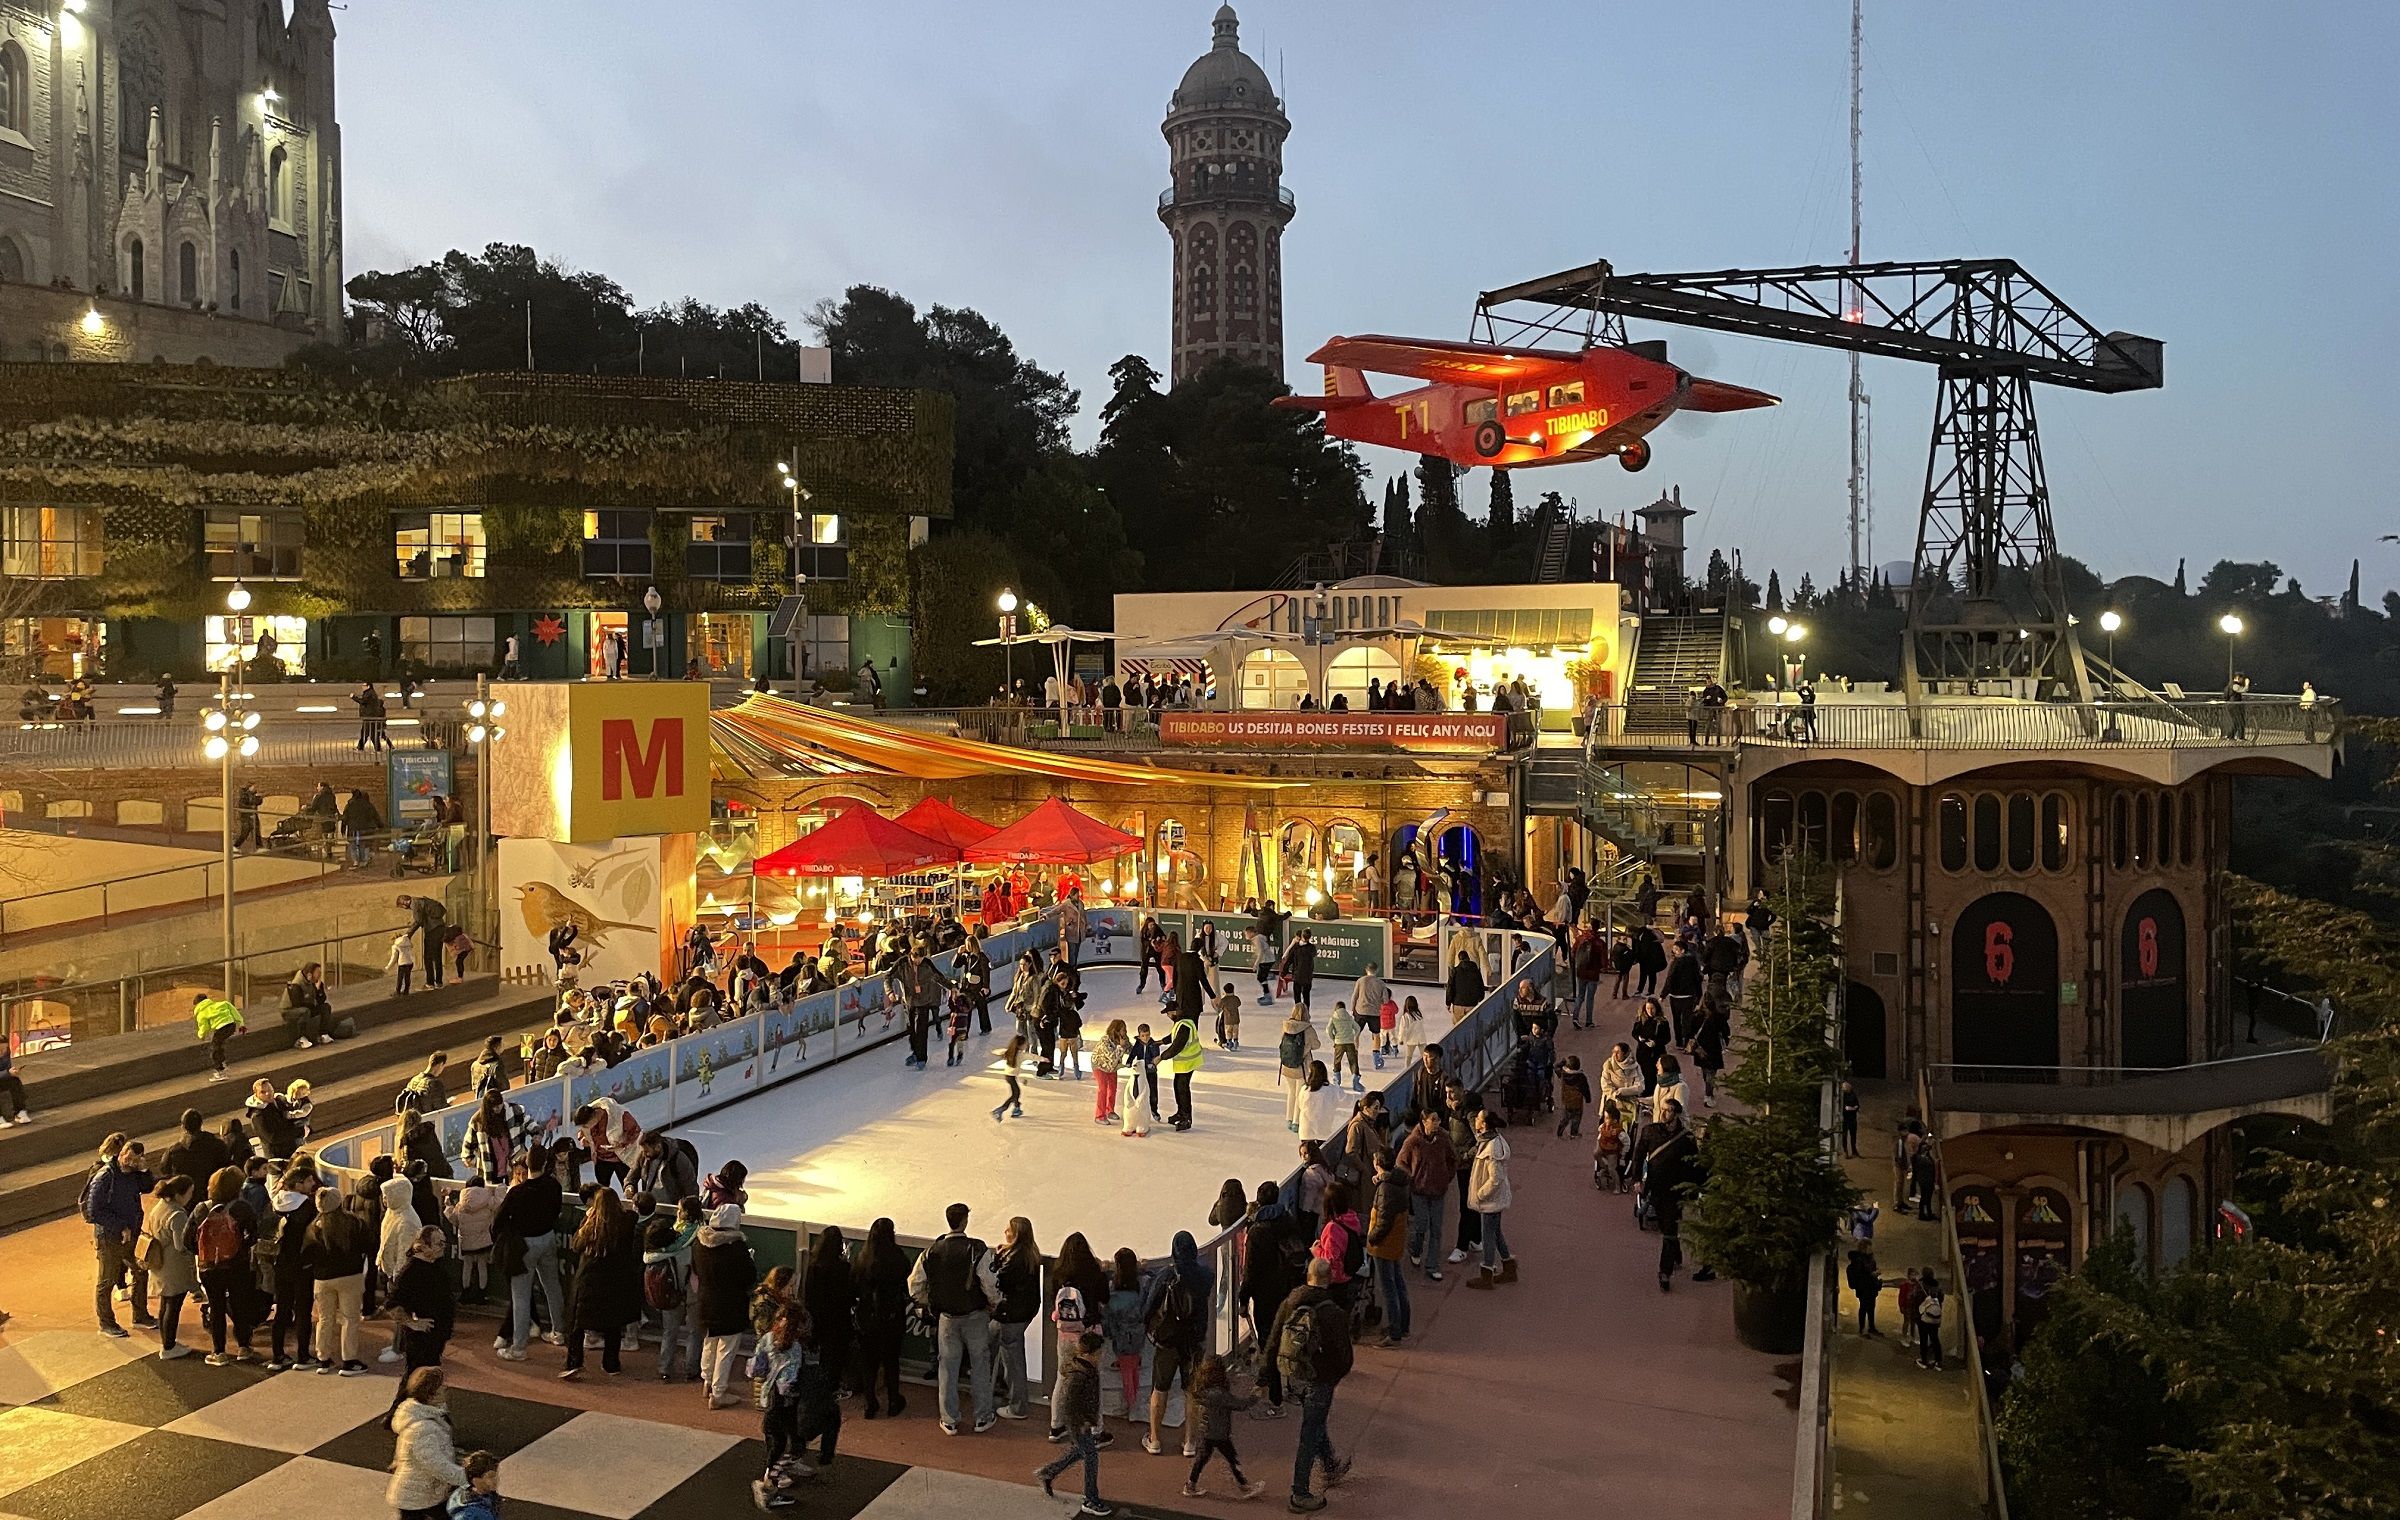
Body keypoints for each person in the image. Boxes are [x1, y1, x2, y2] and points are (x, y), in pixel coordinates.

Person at [909, 1201, 1003, 1435]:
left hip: (947, 1318)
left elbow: (915, 1284)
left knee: (947, 1368)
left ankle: (949, 1419)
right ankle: (982, 1417)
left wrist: (927, 1303)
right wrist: (993, 1304)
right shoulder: (977, 1249)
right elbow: (990, 1283)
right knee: (980, 1365)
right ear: (965, 1221)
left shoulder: (931, 1251)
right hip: (975, 1316)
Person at [1268, 1258, 1354, 1513]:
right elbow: (1345, 1357)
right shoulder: (1333, 1313)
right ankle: (1299, 1492)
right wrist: (1333, 1377)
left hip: (1294, 1375)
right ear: (1329, 1278)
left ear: (1308, 1275)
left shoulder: (1290, 1302)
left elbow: (1273, 1341)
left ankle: (1329, 1465)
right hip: (1320, 1379)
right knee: (1310, 1431)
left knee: (1314, 1422)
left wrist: (1269, 1376)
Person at [1141, 1229, 1212, 1459]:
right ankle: (1190, 1442)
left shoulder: (1166, 1276)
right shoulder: (1206, 1276)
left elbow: (1149, 1307)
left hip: (1168, 1341)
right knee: (1191, 1391)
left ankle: (1154, 1439)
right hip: (1193, 1342)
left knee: (1160, 1388)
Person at [558, 1188, 641, 1380]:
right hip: (615, 1281)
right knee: (613, 1324)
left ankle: (574, 1362)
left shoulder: (590, 1225)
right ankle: (611, 1363)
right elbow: (633, 1216)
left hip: (589, 1279)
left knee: (577, 1323)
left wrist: (589, 1217)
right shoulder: (625, 1223)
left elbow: (576, 1245)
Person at [495, 1145, 567, 1363]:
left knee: (521, 1296)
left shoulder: (517, 1193)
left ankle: (519, 1348)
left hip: (523, 1245)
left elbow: (497, 1222)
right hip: (547, 1238)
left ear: (526, 1164)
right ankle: (559, 1332)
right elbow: (556, 1210)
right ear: (546, 1164)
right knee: (552, 1286)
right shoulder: (553, 1186)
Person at [1035, 1329, 1117, 1518]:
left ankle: (1048, 1473)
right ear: (1089, 1354)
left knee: (1081, 1451)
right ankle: (1091, 1498)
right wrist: (1081, 1422)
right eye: (1099, 1353)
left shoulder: (1085, 1370)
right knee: (1091, 1456)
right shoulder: (1079, 1375)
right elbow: (1069, 1402)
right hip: (1079, 1422)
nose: (1101, 1356)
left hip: (1082, 1421)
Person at [384, 1226, 455, 1424]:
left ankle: (397, 1414)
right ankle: (429, 1416)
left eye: (443, 1243)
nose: (443, 1248)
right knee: (421, 1375)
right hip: (421, 1337)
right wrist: (413, 1323)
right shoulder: (412, 1272)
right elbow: (392, 1304)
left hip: (435, 1334)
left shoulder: (436, 1265)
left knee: (417, 1376)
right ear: (423, 1246)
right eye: (438, 1243)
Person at [85, 1138, 154, 1337]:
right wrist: (120, 1226)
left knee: (140, 1270)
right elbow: (93, 1211)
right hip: (109, 1237)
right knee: (107, 1280)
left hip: (131, 1234)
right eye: (126, 1155)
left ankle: (140, 1315)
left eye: (133, 1159)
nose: (127, 1160)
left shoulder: (133, 1174)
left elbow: (148, 1186)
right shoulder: (105, 1176)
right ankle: (106, 1323)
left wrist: (144, 1170)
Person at [692, 1204, 758, 1408]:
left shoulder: (699, 1244)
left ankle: (707, 1382)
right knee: (726, 1350)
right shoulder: (735, 1248)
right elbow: (749, 1276)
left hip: (706, 1302)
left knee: (709, 1343)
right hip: (730, 1306)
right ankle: (718, 1394)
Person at [387, 1366, 468, 1520]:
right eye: (441, 1387)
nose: (446, 1388)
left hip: (426, 1492)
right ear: (431, 1395)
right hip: (416, 1498)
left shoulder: (425, 1417)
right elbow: (436, 1465)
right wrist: (466, 1477)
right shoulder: (423, 1428)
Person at [1184, 1351, 1266, 1499]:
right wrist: (1255, 1397)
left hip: (1205, 1432)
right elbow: (1240, 1405)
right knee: (1232, 1459)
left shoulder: (1202, 1390)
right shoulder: (1220, 1394)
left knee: (1201, 1459)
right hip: (1220, 1434)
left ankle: (1191, 1485)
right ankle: (1244, 1485)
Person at [853, 1217, 910, 1419]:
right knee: (891, 1361)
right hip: (891, 1319)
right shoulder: (898, 1257)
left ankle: (871, 1404)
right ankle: (893, 1401)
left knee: (869, 1363)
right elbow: (906, 1278)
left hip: (867, 1319)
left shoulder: (863, 1258)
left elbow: (856, 1284)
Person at [141, 1175, 199, 1360]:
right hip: (174, 1267)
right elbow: (181, 1245)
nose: (191, 1196)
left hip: (160, 1264)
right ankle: (169, 1346)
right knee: (173, 1307)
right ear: (180, 1194)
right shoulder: (177, 1214)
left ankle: (167, 1342)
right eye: (189, 1193)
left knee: (166, 1304)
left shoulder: (159, 1207)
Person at [1396, 1108, 1455, 1283]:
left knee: (1436, 1228)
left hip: (1438, 1190)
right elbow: (1400, 1161)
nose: (1437, 1123)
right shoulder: (1413, 1141)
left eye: (1438, 1120)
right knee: (1421, 1225)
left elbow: (1453, 1158)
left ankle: (1432, 1265)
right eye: (1433, 1120)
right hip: (1419, 1191)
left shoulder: (1443, 1138)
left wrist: (1446, 1177)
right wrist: (1412, 1177)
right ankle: (1415, 1248)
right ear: (1424, 1121)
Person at [1464, 1109, 1518, 1288]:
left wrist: (1480, 1194)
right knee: (1495, 1232)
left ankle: (1487, 1271)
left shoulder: (1491, 1148)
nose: (1475, 1121)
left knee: (1488, 1234)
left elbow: (1495, 1179)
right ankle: (1508, 1266)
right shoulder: (1492, 1141)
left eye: (1478, 1118)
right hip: (1496, 1199)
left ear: (1484, 1124)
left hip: (1491, 1201)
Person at [1162, 999, 1203, 1132]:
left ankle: (1187, 1118)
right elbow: (1174, 1036)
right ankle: (1181, 1112)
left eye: (1168, 1013)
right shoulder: (1182, 1022)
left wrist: (1161, 1057)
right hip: (1184, 1064)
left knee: (1183, 1088)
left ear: (1173, 1012)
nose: (1168, 1016)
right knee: (1177, 1085)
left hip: (1189, 1062)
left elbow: (1177, 1046)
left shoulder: (1184, 1025)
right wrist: (1161, 1041)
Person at [1276, 1008, 1319, 1134]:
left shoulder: (1286, 1026)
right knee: (1300, 1094)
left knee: (1291, 1091)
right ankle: (1296, 1122)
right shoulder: (1308, 1029)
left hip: (1287, 1066)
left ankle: (1288, 1118)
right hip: (1302, 1067)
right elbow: (1316, 1045)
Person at [193, 991, 243, 1082]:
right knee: (218, 1045)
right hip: (231, 1025)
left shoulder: (202, 1013)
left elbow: (204, 1027)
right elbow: (234, 1011)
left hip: (221, 1028)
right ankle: (222, 1063)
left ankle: (220, 1071)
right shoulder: (222, 1004)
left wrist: (201, 1035)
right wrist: (240, 1023)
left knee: (215, 1049)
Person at [1297, 1062, 1347, 1148]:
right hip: (1324, 1130)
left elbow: (1300, 1105)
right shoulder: (1333, 1089)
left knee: (1309, 1157)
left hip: (1306, 1130)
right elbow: (1344, 1102)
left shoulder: (1305, 1089)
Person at [1846, 1246, 1884, 1337]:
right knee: (1866, 1308)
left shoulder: (1861, 1263)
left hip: (1867, 1289)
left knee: (1868, 1308)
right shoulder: (1860, 1264)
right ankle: (1865, 1328)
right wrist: (1873, 1275)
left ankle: (1867, 1328)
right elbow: (1863, 1276)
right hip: (1865, 1289)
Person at [1326, 1002, 1362, 1092]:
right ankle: (1355, 1078)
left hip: (1339, 1043)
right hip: (1350, 1043)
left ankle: (1337, 1080)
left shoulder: (1334, 1018)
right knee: (1353, 1061)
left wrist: (1334, 1038)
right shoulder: (1349, 1018)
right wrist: (1353, 1036)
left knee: (1337, 1061)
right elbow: (1357, 1028)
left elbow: (1328, 1030)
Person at [991, 1033, 1027, 1122]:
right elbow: (1033, 1056)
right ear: (1021, 1045)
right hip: (1011, 1077)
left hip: (1009, 1076)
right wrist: (1044, 1059)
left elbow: (998, 1051)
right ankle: (1000, 1109)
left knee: (1016, 1093)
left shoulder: (1010, 1052)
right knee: (1015, 1094)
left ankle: (1017, 1108)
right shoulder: (1020, 1055)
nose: (1026, 1045)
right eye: (1025, 1044)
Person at [1444, 947, 1485, 1024]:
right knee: (1471, 1026)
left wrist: (1448, 1003)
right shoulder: (1475, 970)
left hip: (1458, 1004)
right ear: (1468, 958)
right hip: (1472, 1003)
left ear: (1459, 959)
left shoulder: (1455, 971)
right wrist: (1480, 998)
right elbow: (1480, 984)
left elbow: (1450, 987)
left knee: (1457, 1028)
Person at [1915, 1269, 1946, 1369]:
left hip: (1923, 1317)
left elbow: (1916, 1299)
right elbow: (1941, 1299)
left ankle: (1924, 1361)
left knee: (1923, 1339)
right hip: (1935, 1316)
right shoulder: (1938, 1286)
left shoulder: (1920, 1286)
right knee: (1935, 1339)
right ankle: (1938, 1362)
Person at [1556, 1054, 1592, 1138]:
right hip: (1577, 1101)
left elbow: (1556, 1067)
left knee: (1566, 1116)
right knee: (1576, 1117)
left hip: (1566, 1099)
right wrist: (1588, 1098)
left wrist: (1562, 1063)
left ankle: (1561, 1128)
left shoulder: (1563, 1074)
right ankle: (1573, 1133)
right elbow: (1585, 1089)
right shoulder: (1580, 1076)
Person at [355, 681, 391, 752]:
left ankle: (378, 748)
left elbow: (363, 701)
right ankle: (361, 747)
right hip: (369, 718)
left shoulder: (369, 694)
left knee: (372, 735)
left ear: (368, 686)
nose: (362, 687)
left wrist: (354, 697)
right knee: (366, 734)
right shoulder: (368, 694)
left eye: (364, 685)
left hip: (370, 718)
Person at [1839, 1080, 1862, 1157]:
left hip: (1852, 1118)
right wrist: (1852, 1108)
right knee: (1845, 1135)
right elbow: (1844, 1108)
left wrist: (1854, 1108)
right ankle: (1845, 1151)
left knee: (1853, 1135)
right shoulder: (1842, 1096)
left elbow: (1857, 1105)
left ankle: (1854, 1150)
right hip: (1845, 1118)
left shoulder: (1853, 1094)